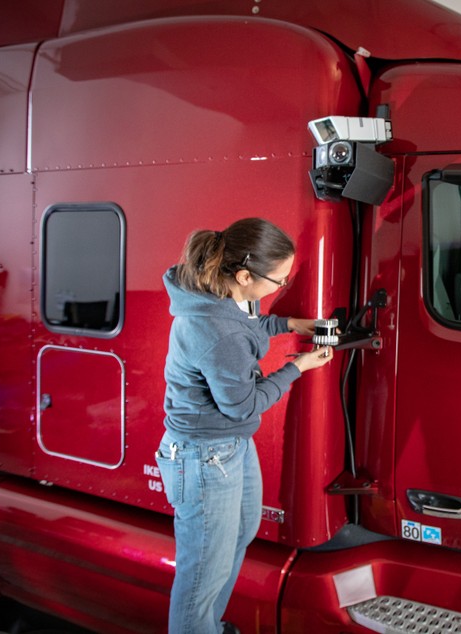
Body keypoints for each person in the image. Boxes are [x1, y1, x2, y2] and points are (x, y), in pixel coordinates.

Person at [157, 218, 333, 634]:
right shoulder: (215, 331)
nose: (282, 285)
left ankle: (210, 628)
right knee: (203, 574)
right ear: (244, 276)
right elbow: (243, 406)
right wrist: (298, 368)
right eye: (279, 280)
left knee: (240, 532)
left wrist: (291, 324)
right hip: (205, 455)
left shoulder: (217, 296)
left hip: (228, 444)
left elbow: (244, 325)